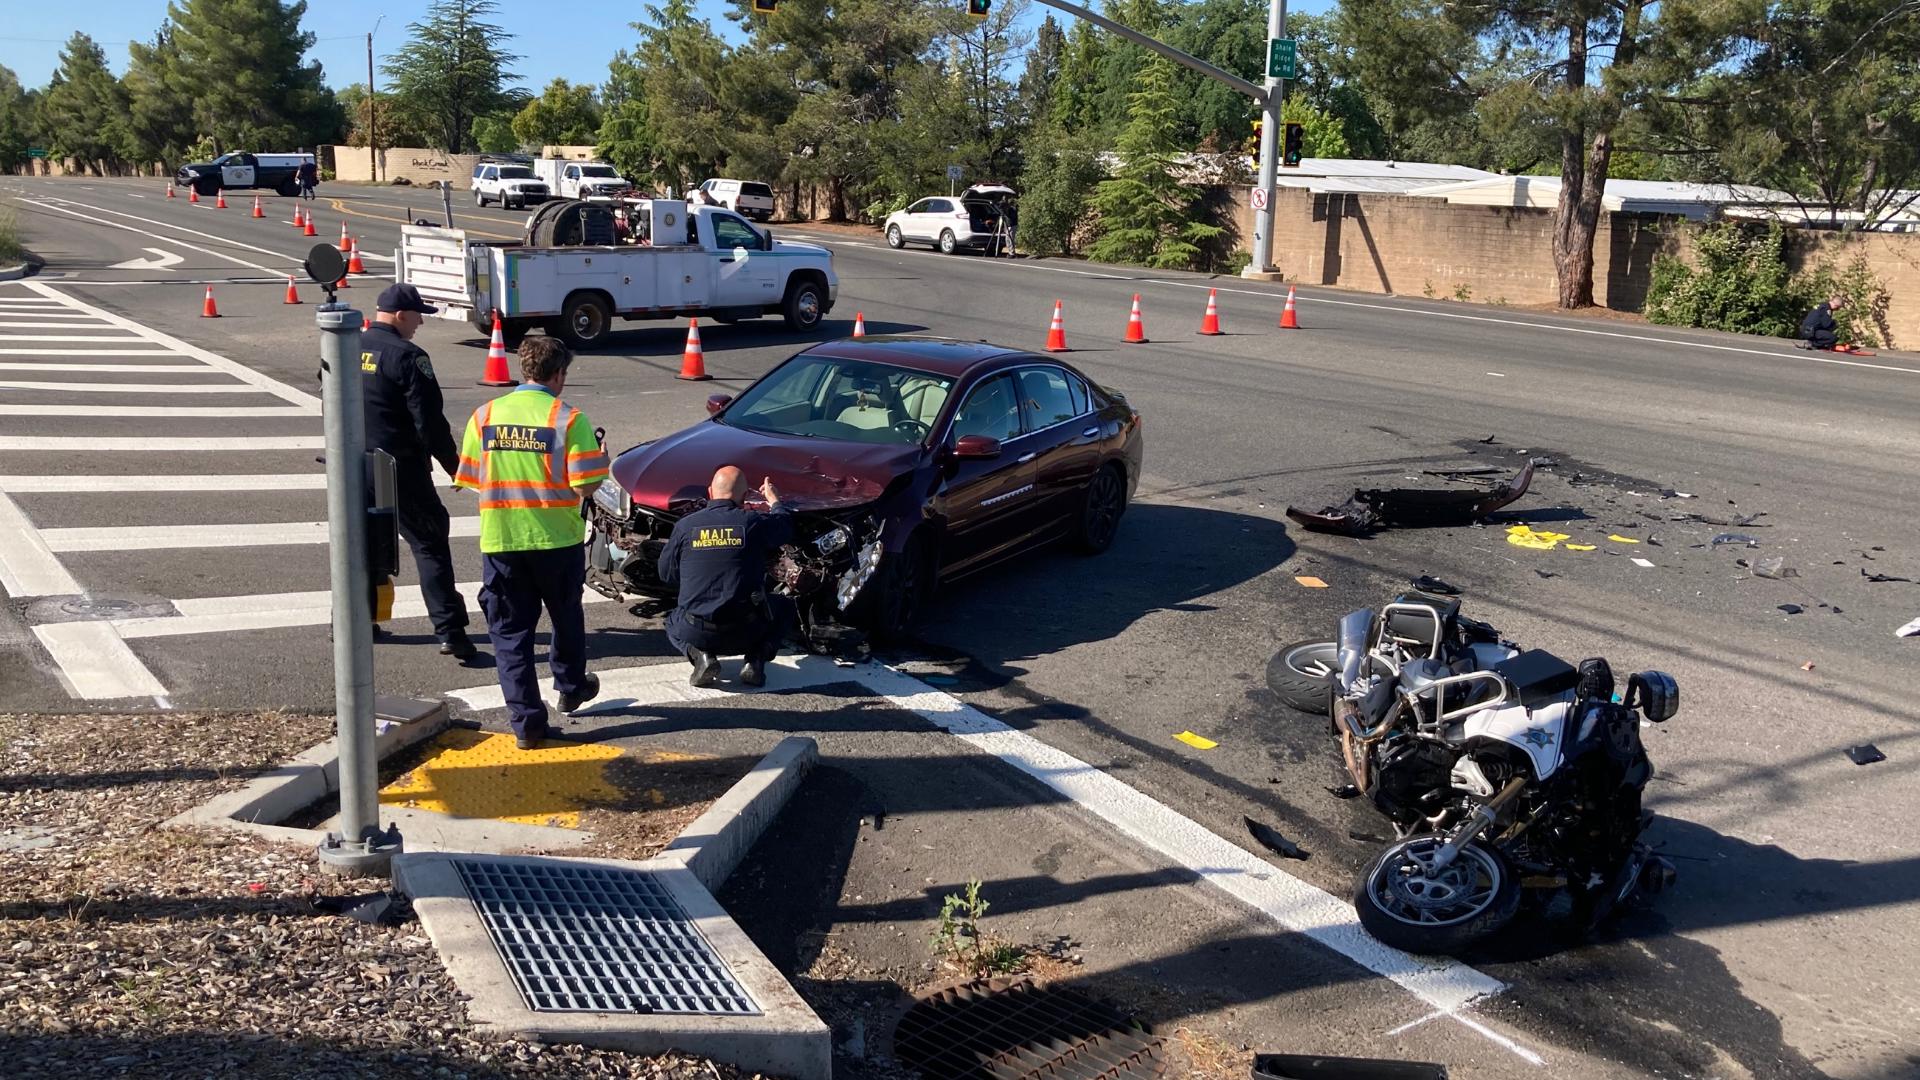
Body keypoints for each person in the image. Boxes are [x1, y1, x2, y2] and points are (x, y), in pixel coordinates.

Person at [453, 337, 610, 749]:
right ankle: (571, 685)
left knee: (510, 635)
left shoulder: (485, 415)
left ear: (524, 370)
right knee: (566, 617)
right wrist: (602, 459)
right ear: (558, 374)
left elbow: (469, 478)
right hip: (556, 540)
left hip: (503, 540)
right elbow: (586, 483)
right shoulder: (567, 419)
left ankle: (527, 724)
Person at [361, 283, 474, 659]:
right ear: (399, 315)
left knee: (359, 547)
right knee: (429, 543)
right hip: (399, 467)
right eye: (418, 315)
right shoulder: (408, 357)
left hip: (354, 466)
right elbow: (429, 423)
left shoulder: (345, 347)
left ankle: (355, 623)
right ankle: (450, 632)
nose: (420, 322)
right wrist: (455, 467)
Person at [658, 467, 795, 689]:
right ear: (744, 497)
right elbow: (785, 529)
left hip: (698, 630)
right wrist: (774, 501)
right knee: (786, 607)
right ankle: (755, 659)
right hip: (747, 630)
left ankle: (701, 655)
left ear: (710, 492)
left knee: (671, 619)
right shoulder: (752, 522)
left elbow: (667, 575)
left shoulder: (685, 526)